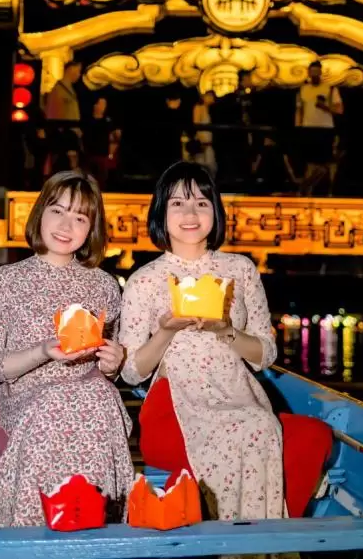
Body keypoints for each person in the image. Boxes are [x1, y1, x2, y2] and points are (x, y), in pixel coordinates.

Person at [117, 161, 284, 520]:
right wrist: (166, 330)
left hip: (236, 390)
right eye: (178, 203)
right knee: (253, 427)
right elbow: (130, 372)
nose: (190, 213)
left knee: (260, 422)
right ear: (161, 213)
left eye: (202, 203)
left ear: (216, 212)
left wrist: (224, 330)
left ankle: (251, 544)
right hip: (174, 397)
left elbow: (266, 353)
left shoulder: (240, 270)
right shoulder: (143, 281)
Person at [0, 170, 132, 527]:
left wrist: (113, 362)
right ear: (40, 214)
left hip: (89, 403)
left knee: (96, 394)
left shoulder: (105, 286)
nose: (66, 224)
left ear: (91, 229)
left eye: (80, 217)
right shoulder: (4, 281)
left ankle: (90, 526)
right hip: (24, 402)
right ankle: (31, 527)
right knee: (60, 402)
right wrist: (44, 351)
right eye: (57, 210)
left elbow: (109, 370)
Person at [295, 60, 342, 196]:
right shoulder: (303, 89)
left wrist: (325, 107)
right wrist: (298, 127)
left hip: (325, 128)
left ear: (321, 72)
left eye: (317, 71)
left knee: (326, 162)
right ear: (309, 73)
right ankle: (308, 189)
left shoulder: (330, 89)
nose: (314, 74)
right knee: (310, 161)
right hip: (308, 128)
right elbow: (299, 110)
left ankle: (329, 189)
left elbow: (339, 110)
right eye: (312, 71)